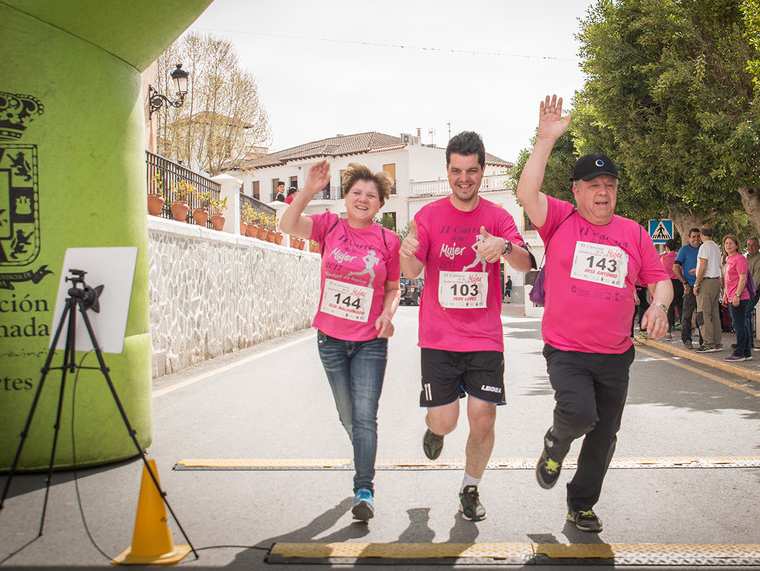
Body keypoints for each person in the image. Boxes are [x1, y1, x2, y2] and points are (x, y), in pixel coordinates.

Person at [516, 95, 672, 534]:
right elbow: (526, 192)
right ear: (578, 191)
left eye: (610, 185)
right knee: (581, 414)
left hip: (615, 354)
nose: (604, 193)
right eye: (594, 185)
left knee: (604, 438)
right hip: (566, 349)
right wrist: (546, 140)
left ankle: (580, 504)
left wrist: (659, 305)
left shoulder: (633, 233)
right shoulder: (560, 219)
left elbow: (660, 279)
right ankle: (555, 443)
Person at [399, 130, 535, 522]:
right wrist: (408, 253)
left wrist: (504, 248)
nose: (464, 178)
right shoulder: (428, 216)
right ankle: (435, 430)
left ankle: (469, 489)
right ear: (447, 171)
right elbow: (411, 271)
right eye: (457, 171)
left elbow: (526, 264)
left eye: (471, 171)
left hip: (484, 338)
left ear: (482, 171)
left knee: (483, 418)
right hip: (439, 338)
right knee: (446, 419)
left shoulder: (497, 217)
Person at [278, 160, 400, 521]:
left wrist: (388, 314)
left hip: (370, 340)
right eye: (357, 194)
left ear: (380, 205)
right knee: (349, 416)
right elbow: (286, 224)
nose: (363, 200)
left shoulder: (387, 240)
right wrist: (309, 190)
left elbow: (393, 288)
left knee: (365, 417)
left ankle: (364, 488)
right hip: (330, 338)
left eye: (371, 196)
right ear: (346, 198)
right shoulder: (328, 225)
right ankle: (363, 449)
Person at [721, 235, 754, 362]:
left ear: (736, 245)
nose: (728, 245)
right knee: (742, 325)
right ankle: (746, 353)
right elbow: (728, 280)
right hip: (730, 296)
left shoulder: (740, 259)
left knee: (740, 326)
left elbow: (743, 278)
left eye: (731, 243)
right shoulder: (729, 259)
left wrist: (737, 295)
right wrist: (725, 294)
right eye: (726, 243)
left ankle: (739, 353)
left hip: (739, 297)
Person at [693, 225, 723, 353]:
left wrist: (696, 283)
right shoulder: (715, 246)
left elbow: (704, 266)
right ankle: (717, 342)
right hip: (715, 281)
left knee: (703, 313)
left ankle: (708, 343)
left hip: (706, 282)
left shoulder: (704, 247)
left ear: (701, 234)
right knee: (714, 313)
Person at [673, 229, 702, 349]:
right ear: (689, 238)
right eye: (693, 237)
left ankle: (704, 340)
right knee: (687, 314)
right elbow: (675, 267)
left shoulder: (704, 248)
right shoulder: (684, 250)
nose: (696, 239)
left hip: (702, 285)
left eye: (698, 237)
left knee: (702, 315)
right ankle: (686, 340)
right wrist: (684, 282)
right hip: (690, 286)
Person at [659, 238, 682, 340]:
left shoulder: (662, 258)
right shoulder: (679, 257)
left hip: (667, 284)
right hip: (679, 282)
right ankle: (684, 331)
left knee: (670, 307)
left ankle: (668, 333)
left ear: (667, 248)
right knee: (681, 307)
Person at [745, 236, 760, 343]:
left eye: (753, 245)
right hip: (744, 292)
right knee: (745, 315)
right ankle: (746, 340)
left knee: (745, 314)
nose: (750, 247)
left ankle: (749, 341)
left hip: (752, 292)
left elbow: (757, 279)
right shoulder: (746, 258)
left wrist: (750, 292)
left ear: (758, 246)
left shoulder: (759, 258)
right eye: (749, 245)